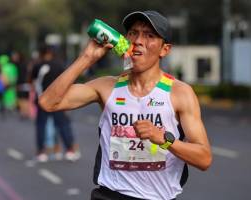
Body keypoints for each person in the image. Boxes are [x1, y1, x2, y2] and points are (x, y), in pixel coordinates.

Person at [40, 10, 212, 200]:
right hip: (110, 195)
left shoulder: (180, 93)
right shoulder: (107, 86)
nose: (138, 40)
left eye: (149, 35)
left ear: (165, 49)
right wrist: (86, 58)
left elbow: (204, 158)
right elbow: (48, 103)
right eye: (133, 33)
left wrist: (164, 139)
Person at [30, 45, 80, 162]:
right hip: (57, 101)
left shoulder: (37, 66)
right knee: (63, 125)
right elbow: (67, 83)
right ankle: (69, 150)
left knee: (41, 126)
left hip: (42, 101)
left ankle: (41, 152)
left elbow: (33, 83)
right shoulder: (59, 65)